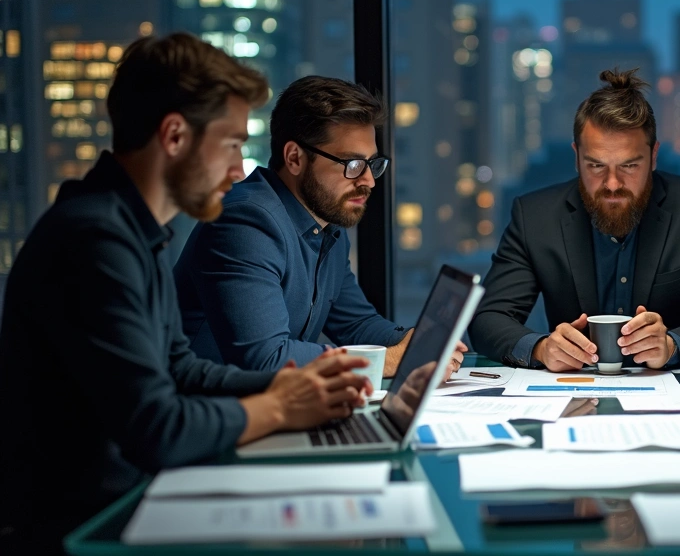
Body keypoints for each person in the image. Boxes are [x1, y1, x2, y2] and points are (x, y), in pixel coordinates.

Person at [0, 34, 370, 553]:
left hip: (131, 499)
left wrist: (297, 388)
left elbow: (183, 369)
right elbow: (158, 426)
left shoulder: (131, 230)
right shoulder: (95, 240)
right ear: (175, 136)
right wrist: (280, 408)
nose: (240, 171)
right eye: (231, 145)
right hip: (84, 528)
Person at [174, 76, 464, 379]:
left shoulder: (326, 226)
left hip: (266, 408)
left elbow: (357, 325)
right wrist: (393, 361)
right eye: (352, 165)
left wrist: (416, 343)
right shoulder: (245, 223)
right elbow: (266, 358)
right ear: (295, 158)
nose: (368, 180)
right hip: (203, 413)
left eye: (372, 164)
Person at [469, 68, 680, 371]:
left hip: (674, 392)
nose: (613, 183)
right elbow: (487, 319)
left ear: (653, 156)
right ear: (576, 158)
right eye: (596, 166)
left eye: (629, 165)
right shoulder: (534, 216)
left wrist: (672, 345)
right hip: (571, 394)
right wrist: (541, 348)